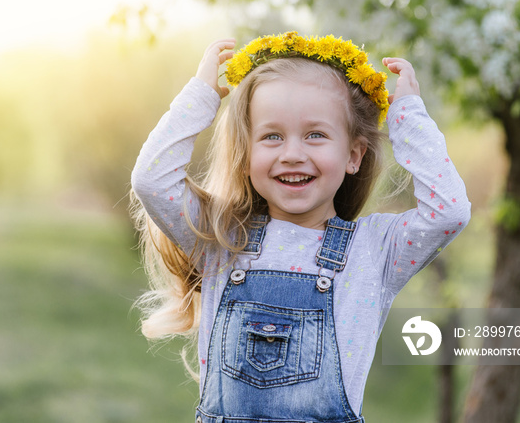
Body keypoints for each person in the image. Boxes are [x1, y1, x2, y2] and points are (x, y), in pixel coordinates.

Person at [131, 32, 470, 423]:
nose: (293, 154)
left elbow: (449, 212)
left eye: (316, 135)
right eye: (272, 136)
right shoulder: (221, 238)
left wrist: (409, 117)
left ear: (353, 155)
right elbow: (151, 179)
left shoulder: (374, 251)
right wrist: (199, 98)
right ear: (246, 155)